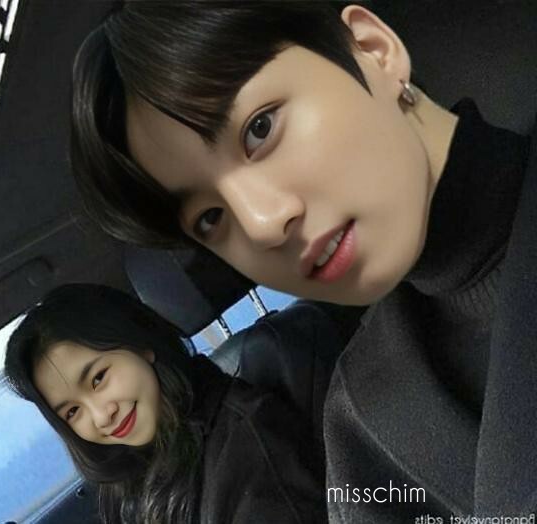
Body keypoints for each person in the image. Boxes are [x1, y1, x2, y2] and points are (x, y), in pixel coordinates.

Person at [69, 1, 537, 521]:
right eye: (210, 217)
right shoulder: (365, 426)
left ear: (374, 52)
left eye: (260, 128)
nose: (262, 223)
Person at [3, 284, 328, 524]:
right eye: (73, 412)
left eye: (98, 378)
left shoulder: (248, 445)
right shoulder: (128, 479)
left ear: (141, 345)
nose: (101, 416)